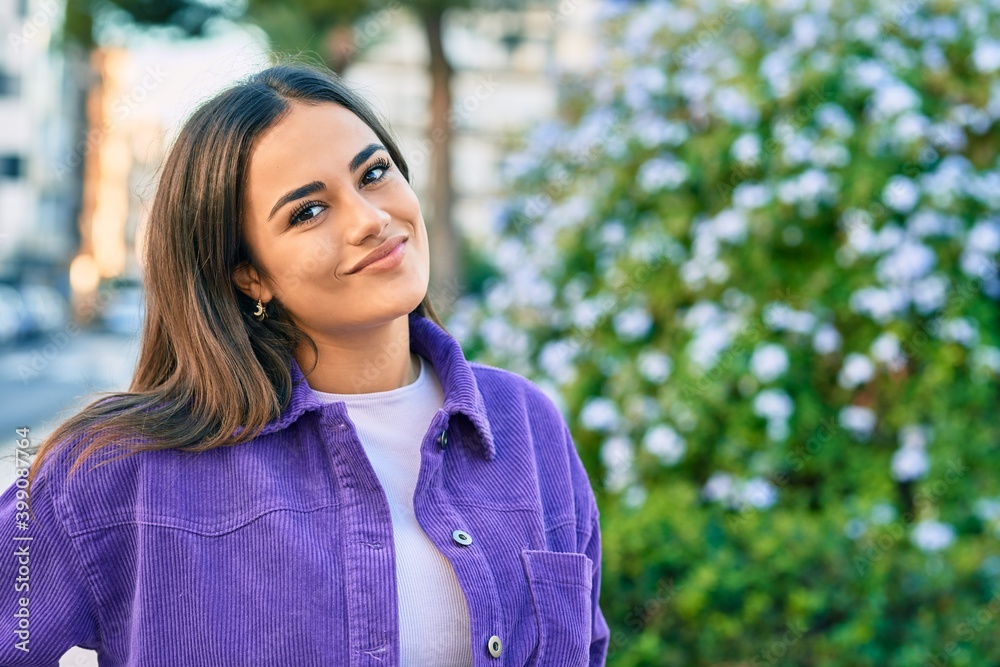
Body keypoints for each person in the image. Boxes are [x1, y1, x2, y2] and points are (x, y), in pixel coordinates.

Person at [0, 62, 610, 666]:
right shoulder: (121, 471)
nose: (372, 220)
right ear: (250, 275)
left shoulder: (528, 427)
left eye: (374, 173)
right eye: (308, 212)